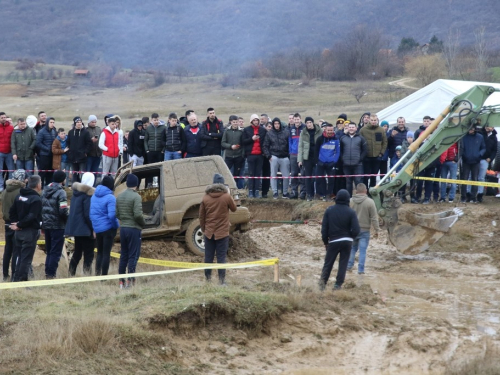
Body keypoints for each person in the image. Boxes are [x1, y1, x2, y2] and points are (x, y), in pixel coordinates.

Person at [199, 173, 237, 285]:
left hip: (209, 232)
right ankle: (221, 281)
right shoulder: (226, 196)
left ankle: (208, 280)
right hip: (222, 233)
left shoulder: (205, 197)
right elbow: (234, 209)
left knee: (208, 257)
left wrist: (204, 229)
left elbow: (201, 216)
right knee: (221, 257)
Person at [319, 189, 360, 291]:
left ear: (336, 198)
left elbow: (324, 229)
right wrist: (350, 237)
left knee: (328, 263)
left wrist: (325, 242)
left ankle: (322, 285)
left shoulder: (329, 210)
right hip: (347, 241)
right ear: (347, 200)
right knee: (343, 263)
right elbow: (356, 229)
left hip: (333, 241)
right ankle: (337, 285)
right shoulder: (351, 212)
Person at [9, 175, 43, 282]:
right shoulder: (36, 199)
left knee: (18, 256)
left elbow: (12, 212)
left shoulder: (19, 195)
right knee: (25, 259)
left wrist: (16, 224)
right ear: (38, 185)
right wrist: (19, 224)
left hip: (19, 232)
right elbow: (31, 216)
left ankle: (15, 279)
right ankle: (21, 282)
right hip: (29, 232)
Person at [116, 174, 145, 288]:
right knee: (133, 255)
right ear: (136, 185)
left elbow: (117, 213)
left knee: (124, 255)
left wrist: (124, 219)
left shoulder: (119, 196)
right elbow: (138, 215)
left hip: (123, 229)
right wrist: (143, 223)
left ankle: (121, 281)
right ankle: (130, 280)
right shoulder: (136, 197)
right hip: (134, 229)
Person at [65, 172, 96, 276]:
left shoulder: (75, 194)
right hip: (86, 229)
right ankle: (87, 275)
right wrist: (93, 228)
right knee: (88, 255)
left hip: (77, 229)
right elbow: (88, 215)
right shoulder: (87, 196)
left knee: (77, 253)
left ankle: (71, 273)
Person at [41, 170, 69, 279]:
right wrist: (67, 219)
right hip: (57, 225)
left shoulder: (45, 190)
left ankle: (48, 272)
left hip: (46, 224)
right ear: (62, 180)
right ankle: (51, 275)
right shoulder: (61, 192)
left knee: (49, 251)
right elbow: (63, 210)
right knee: (55, 252)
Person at [347, 183, 380, 274]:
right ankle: (360, 270)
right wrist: (377, 230)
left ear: (356, 191)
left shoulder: (350, 201)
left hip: (352, 230)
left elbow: (346, 216)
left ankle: (349, 266)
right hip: (364, 230)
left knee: (352, 249)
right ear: (366, 191)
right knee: (362, 251)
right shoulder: (370, 202)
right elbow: (374, 217)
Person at [90, 175, 119, 276]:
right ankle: (104, 276)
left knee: (99, 253)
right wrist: (116, 225)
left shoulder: (94, 196)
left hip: (98, 229)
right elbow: (112, 215)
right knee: (106, 253)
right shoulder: (111, 198)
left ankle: (97, 274)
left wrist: (95, 227)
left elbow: (92, 214)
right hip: (108, 229)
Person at [2, 169, 26, 281]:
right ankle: (14, 277)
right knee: (17, 251)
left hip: (7, 222)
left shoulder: (5, 191)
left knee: (8, 250)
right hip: (16, 223)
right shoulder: (20, 192)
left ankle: (5, 275)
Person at [263, 117, 290, 199]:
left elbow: (289, 144)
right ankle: (275, 192)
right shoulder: (269, 133)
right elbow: (265, 146)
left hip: (284, 156)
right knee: (273, 175)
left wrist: (288, 155)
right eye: (275, 124)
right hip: (273, 156)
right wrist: (269, 156)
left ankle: (285, 192)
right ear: (273, 125)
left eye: (278, 124)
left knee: (286, 176)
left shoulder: (286, 133)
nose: (277, 125)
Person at [242, 114, 266, 198]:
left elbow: (265, 142)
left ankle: (256, 191)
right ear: (251, 121)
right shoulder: (246, 130)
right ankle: (250, 191)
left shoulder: (263, 130)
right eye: (254, 120)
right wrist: (251, 139)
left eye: (257, 120)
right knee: (251, 173)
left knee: (258, 174)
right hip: (250, 154)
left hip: (260, 155)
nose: (256, 122)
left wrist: (264, 152)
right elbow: (243, 141)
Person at [359, 114, 387, 189]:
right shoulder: (363, 130)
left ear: (377, 120)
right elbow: (359, 143)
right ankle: (365, 190)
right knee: (365, 176)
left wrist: (381, 153)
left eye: (375, 120)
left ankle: (372, 191)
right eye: (372, 120)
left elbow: (384, 142)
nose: (373, 122)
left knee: (374, 176)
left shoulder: (381, 130)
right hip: (366, 157)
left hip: (377, 157)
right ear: (369, 120)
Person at [314, 123, 340, 201]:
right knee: (319, 179)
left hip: (331, 163)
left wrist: (334, 161)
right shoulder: (320, 139)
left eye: (331, 130)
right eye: (328, 130)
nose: (330, 132)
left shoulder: (336, 139)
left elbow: (338, 152)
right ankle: (319, 194)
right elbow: (316, 151)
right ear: (325, 130)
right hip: (321, 162)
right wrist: (317, 161)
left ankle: (329, 195)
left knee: (331, 180)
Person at [298, 117, 321, 201]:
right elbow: (300, 146)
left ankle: (317, 194)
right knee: (308, 177)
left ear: (313, 123)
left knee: (316, 176)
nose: (308, 124)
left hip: (317, 157)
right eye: (307, 123)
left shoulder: (319, 131)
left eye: (310, 122)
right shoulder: (303, 132)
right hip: (307, 157)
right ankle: (309, 194)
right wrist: (300, 159)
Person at [340, 122, 367, 197]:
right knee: (348, 182)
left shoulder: (361, 138)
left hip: (358, 164)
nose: (351, 129)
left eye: (353, 127)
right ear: (347, 128)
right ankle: (349, 198)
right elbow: (340, 150)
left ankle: (359, 197)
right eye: (350, 127)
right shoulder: (343, 138)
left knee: (358, 182)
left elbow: (365, 150)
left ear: (356, 128)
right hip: (346, 164)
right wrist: (342, 159)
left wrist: (360, 159)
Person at [460, 127, 485, 203]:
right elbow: (461, 148)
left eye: (472, 129)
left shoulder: (480, 137)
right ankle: (463, 197)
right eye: (469, 128)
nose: (470, 130)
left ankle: (473, 197)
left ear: (475, 129)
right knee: (464, 179)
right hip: (466, 161)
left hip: (476, 162)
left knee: (474, 179)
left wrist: (479, 155)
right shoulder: (463, 137)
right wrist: (464, 156)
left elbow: (483, 148)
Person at [221, 115, 245, 188]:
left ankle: (237, 189)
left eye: (236, 122)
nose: (235, 123)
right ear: (231, 122)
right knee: (227, 173)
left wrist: (242, 155)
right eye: (234, 122)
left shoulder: (241, 131)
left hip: (239, 156)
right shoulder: (227, 131)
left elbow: (243, 144)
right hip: (229, 156)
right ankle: (227, 188)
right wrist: (230, 146)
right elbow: (223, 142)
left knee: (237, 174)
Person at [67, 116, 92, 183]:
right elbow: (68, 142)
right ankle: (74, 189)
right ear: (75, 123)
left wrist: (85, 152)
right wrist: (69, 152)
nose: (79, 123)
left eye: (80, 122)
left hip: (82, 156)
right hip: (73, 156)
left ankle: (82, 188)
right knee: (74, 174)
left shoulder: (85, 132)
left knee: (82, 174)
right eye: (77, 122)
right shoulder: (71, 132)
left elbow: (89, 143)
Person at [36, 117, 57, 187]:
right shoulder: (41, 131)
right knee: (43, 173)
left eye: (53, 122)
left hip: (52, 155)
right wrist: (47, 148)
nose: (52, 124)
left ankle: (49, 187)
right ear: (47, 122)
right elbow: (38, 143)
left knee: (51, 173)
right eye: (51, 122)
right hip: (44, 155)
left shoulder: (54, 131)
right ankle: (40, 187)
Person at [289, 113, 305, 199]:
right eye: (295, 119)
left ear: (300, 119)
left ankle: (302, 193)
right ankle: (294, 192)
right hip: (293, 154)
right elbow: (290, 141)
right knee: (294, 174)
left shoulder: (304, 128)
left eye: (298, 119)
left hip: (302, 154)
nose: (296, 121)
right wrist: (291, 151)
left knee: (303, 174)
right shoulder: (291, 129)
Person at [0, 112, 15, 191]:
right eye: (2, 117)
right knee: (0, 171)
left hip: (9, 152)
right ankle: (1, 187)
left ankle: (9, 186)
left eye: (4, 117)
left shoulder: (11, 128)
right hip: (0, 152)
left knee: (11, 170)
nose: (3, 119)